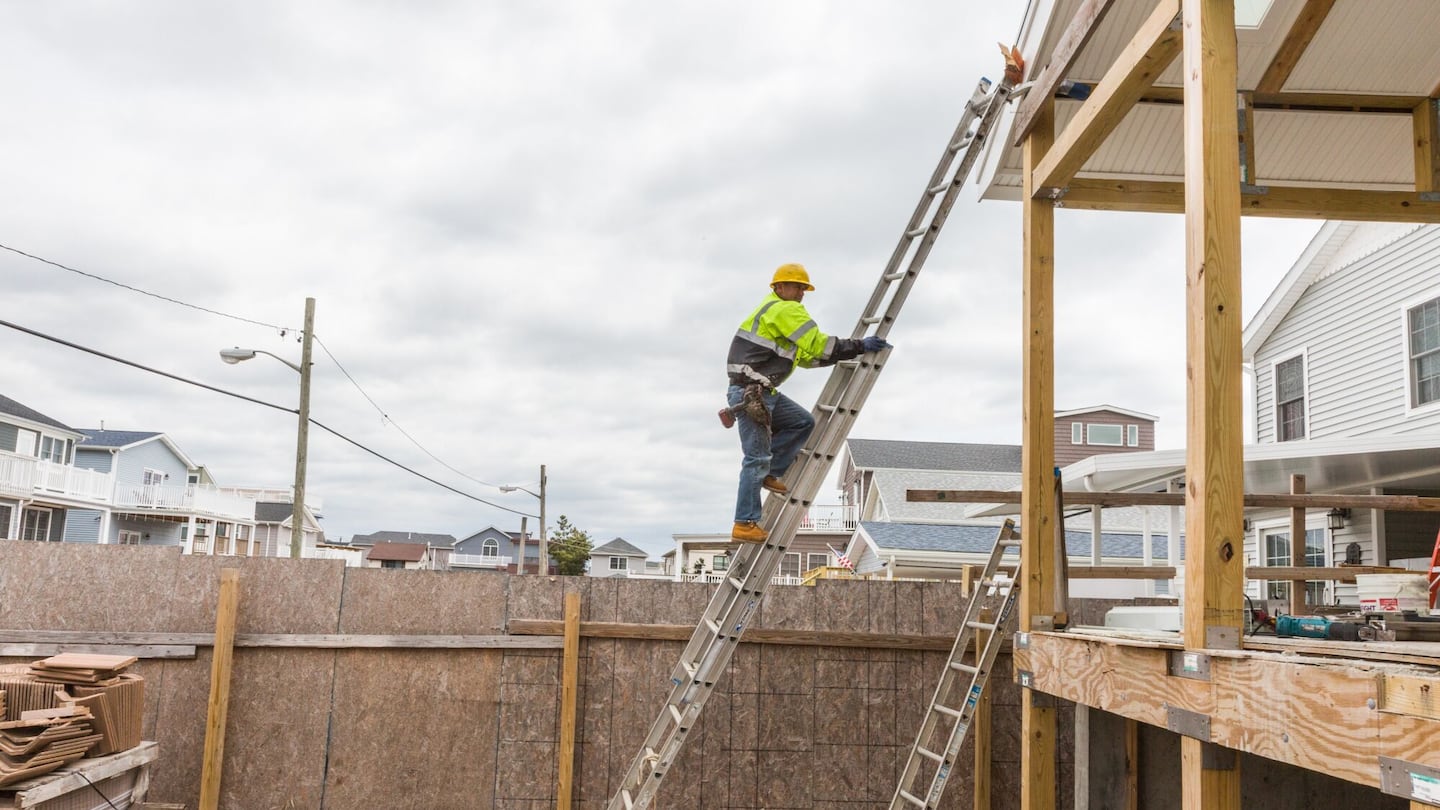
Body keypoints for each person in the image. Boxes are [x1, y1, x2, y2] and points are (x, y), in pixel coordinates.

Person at [724, 263, 891, 543]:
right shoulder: (786, 310)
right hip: (750, 394)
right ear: (779, 287)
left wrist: (846, 353)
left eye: (804, 288)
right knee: (754, 459)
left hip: (760, 392)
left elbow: (808, 358)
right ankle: (744, 522)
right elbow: (818, 346)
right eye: (797, 287)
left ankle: (772, 471)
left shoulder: (775, 316)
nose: (801, 293)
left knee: (802, 422)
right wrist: (860, 346)